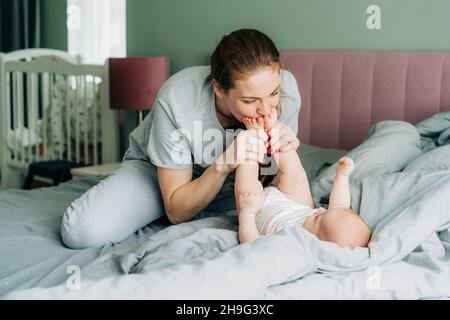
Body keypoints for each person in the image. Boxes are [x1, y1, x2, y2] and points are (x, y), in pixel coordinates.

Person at [60, 29, 302, 249]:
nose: (266, 109)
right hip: (163, 175)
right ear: (219, 89)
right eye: (250, 101)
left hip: (234, 190)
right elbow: (176, 212)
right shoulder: (178, 99)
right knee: (81, 232)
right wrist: (223, 164)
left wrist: (286, 153)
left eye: (272, 94)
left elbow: (274, 180)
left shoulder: (286, 90)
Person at [236, 111, 372, 248]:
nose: (320, 210)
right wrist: (342, 176)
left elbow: (252, 244)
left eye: (317, 218)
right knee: (296, 176)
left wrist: (247, 213)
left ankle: (252, 140)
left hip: (259, 206)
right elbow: (339, 206)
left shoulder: (289, 245)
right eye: (324, 211)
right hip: (297, 204)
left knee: (246, 186)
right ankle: (276, 134)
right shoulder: (321, 217)